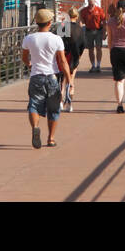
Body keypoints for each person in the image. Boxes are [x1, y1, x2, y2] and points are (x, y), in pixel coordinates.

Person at [22, 8, 71, 148]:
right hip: (52, 76)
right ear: (50, 23)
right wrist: (70, 80)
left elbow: (24, 58)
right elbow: (62, 61)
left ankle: (35, 127)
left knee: (34, 105)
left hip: (36, 76)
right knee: (54, 109)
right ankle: (51, 138)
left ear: (37, 22)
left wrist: (30, 64)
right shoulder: (56, 39)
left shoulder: (29, 38)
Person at [61, 6, 84, 112]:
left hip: (64, 55)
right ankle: (69, 104)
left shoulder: (64, 26)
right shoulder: (80, 28)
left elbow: (60, 41)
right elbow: (83, 44)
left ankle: (61, 102)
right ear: (77, 16)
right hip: (75, 56)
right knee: (71, 80)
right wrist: (79, 55)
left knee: (62, 80)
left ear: (68, 15)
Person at [79, 0, 107, 73]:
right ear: (88, 3)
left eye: (92, 4)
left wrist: (104, 33)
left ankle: (98, 65)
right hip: (88, 31)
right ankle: (93, 65)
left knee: (98, 48)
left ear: (95, 2)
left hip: (98, 31)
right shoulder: (84, 11)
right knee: (90, 49)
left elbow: (104, 22)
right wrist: (80, 27)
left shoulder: (99, 10)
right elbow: (81, 21)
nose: (91, 5)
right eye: (90, 4)